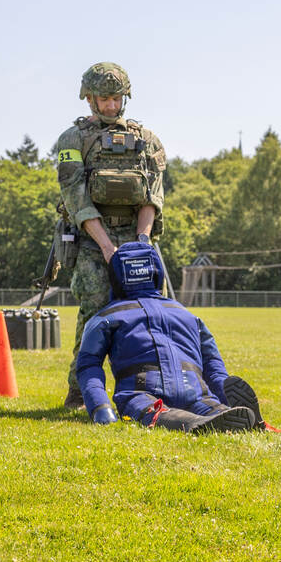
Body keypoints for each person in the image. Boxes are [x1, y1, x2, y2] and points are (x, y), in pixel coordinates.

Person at [53, 63, 167, 410]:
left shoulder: (148, 140)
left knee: (151, 313)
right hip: (93, 239)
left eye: (117, 98)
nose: (111, 105)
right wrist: (106, 247)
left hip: (136, 238)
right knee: (94, 312)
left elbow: (152, 196)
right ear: (89, 98)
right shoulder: (72, 140)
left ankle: (151, 390)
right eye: (104, 99)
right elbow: (76, 198)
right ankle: (80, 391)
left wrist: (142, 244)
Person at [76, 241, 274, 433]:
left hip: (140, 391)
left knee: (155, 411)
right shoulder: (187, 315)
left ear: (115, 277)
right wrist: (225, 393)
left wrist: (101, 408)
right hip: (194, 390)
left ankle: (191, 422)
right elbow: (213, 365)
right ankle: (226, 412)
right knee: (209, 406)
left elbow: (88, 366)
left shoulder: (106, 317)